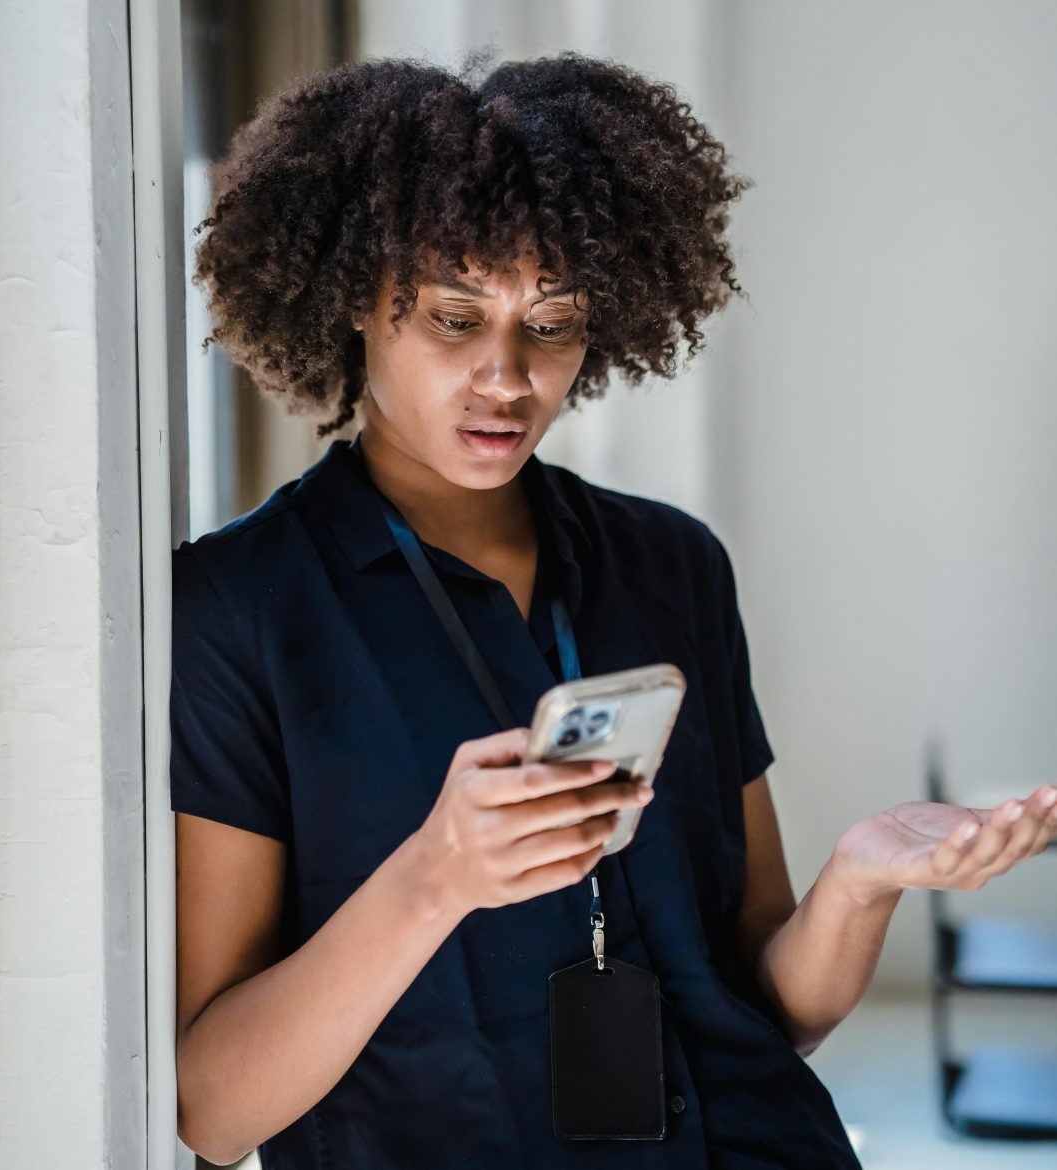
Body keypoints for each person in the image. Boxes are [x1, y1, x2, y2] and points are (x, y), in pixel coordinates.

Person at [169, 51, 1057, 1170]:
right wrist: (434, 879)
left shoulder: (672, 566)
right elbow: (215, 1112)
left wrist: (859, 883)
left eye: (552, 324)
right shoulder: (238, 609)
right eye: (454, 319)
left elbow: (765, 1016)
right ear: (354, 301)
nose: (507, 376)